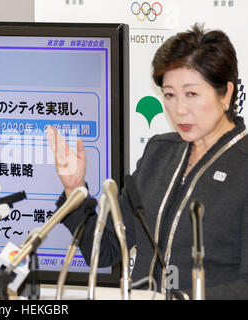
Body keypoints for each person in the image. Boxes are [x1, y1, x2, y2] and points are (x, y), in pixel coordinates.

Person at [47, 23, 248, 300]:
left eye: (191, 94)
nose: (179, 109)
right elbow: (106, 250)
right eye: (169, 95)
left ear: (225, 93)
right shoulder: (159, 152)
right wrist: (75, 189)